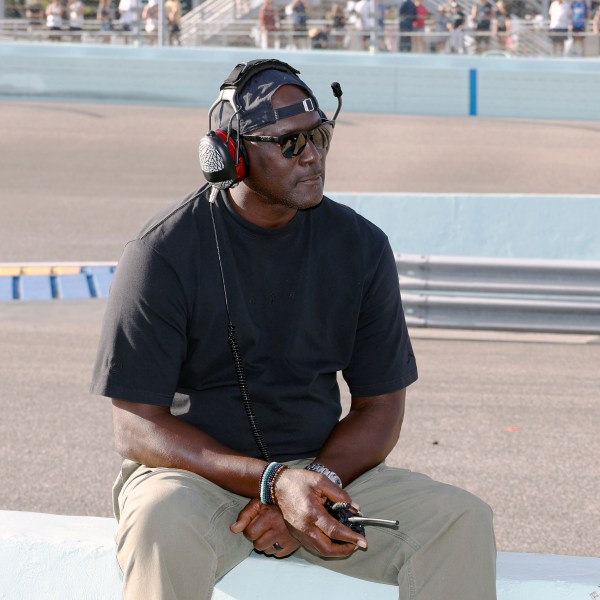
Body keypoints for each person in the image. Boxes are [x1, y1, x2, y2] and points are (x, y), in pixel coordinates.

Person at [91, 58, 497, 600]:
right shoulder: (162, 252)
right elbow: (136, 428)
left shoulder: (361, 247)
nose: (312, 156)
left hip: (325, 473)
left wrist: (312, 491)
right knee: (159, 522)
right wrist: (273, 484)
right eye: (288, 144)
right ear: (231, 154)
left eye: (320, 136)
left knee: (459, 521)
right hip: (193, 479)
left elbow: (381, 408)